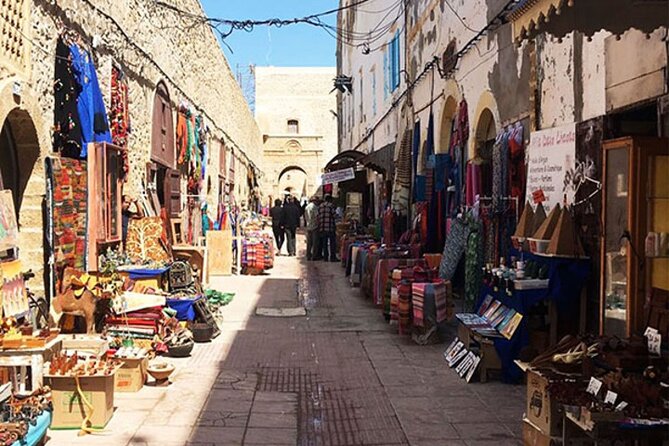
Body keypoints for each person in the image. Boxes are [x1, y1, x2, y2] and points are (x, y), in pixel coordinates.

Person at [317, 194, 338, 262]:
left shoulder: (320, 206)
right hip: (330, 227)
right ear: (330, 199)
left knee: (324, 243)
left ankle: (325, 257)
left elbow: (318, 216)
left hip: (322, 227)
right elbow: (334, 215)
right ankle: (333, 257)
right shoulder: (331, 206)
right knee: (332, 243)